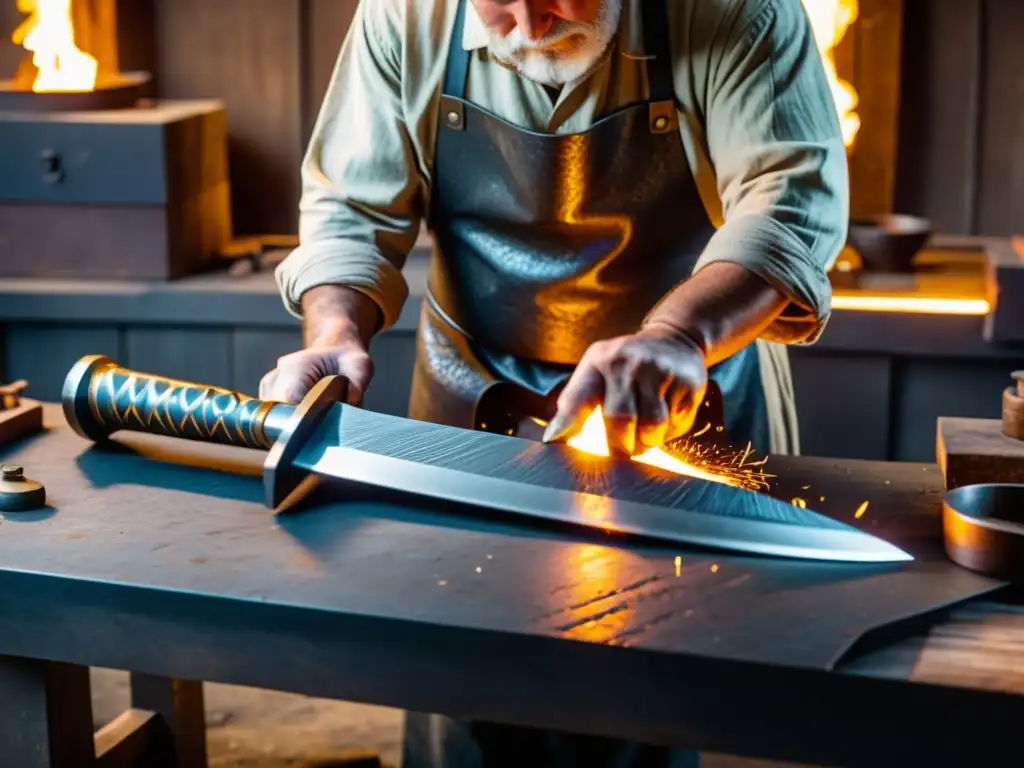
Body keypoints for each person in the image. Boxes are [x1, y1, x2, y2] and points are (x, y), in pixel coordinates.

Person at [263, 0, 847, 764]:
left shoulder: (734, 11)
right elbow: (348, 208)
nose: (530, 26)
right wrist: (335, 332)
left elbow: (789, 201)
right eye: (498, 2)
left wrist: (674, 336)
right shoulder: (405, 15)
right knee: (464, 676)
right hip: (468, 391)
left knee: (674, 688)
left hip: (687, 386)